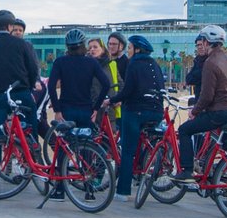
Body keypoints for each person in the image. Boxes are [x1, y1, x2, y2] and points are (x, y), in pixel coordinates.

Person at [46, 29, 111, 201]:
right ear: (83, 46)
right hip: (86, 110)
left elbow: (51, 87)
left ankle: (60, 189)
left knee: (63, 148)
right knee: (86, 147)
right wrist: (96, 108)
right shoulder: (91, 63)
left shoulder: (61, 62)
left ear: (67, 47)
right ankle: (89, 190)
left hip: (67, 110)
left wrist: (57, 109)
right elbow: (106, 84)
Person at [173, 25, 227, 183]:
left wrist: (195, 111)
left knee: (184, 130)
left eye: (202, 40)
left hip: (219, 111)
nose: (201, 44)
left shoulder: (210, 62)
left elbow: (207, 95)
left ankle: (187, 171)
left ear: (206, 42)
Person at [107, 35, 164, 202]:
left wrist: (111, 100)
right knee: (143, 141)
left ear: (137, 50)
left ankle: (123, 191)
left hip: (136, 111)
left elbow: (128, 91)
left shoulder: (134, 64)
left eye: (130, 48)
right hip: (156, 112)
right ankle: (142, 169)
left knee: (128, 151)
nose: (128, 51)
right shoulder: (154, 64)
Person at [0, 9, 41, 147]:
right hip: (22, 92)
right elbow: (33, 68)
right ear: (10, 26)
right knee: (30, 128)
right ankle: (33, 159)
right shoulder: (22, 44)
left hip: (0, 95)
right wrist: (30, 87)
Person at [105, 32, 130, 126]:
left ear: (121, 46)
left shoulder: (126, 63)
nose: (111, 46)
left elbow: (127, 84)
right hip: (108, 103)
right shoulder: (107, 62)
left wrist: (120, 99)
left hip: (120, 105)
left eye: (114, 44)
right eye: (109, 44)